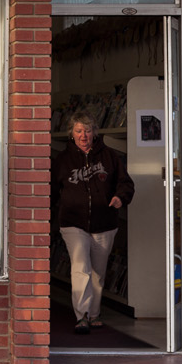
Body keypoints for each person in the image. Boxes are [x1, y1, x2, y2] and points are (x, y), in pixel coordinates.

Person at [51, 111, 135, 335]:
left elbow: (126, 183)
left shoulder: (109, 156)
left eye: (87, 131)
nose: (83, 135)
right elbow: (51, 191)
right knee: (81, 269)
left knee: (98, 272)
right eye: (79, 131)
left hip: (105, 222)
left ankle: (94, 313)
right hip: (72, 223)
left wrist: (120, 197)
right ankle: (82, 316)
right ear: (72, 133)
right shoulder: (63, 159)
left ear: (94, 133)